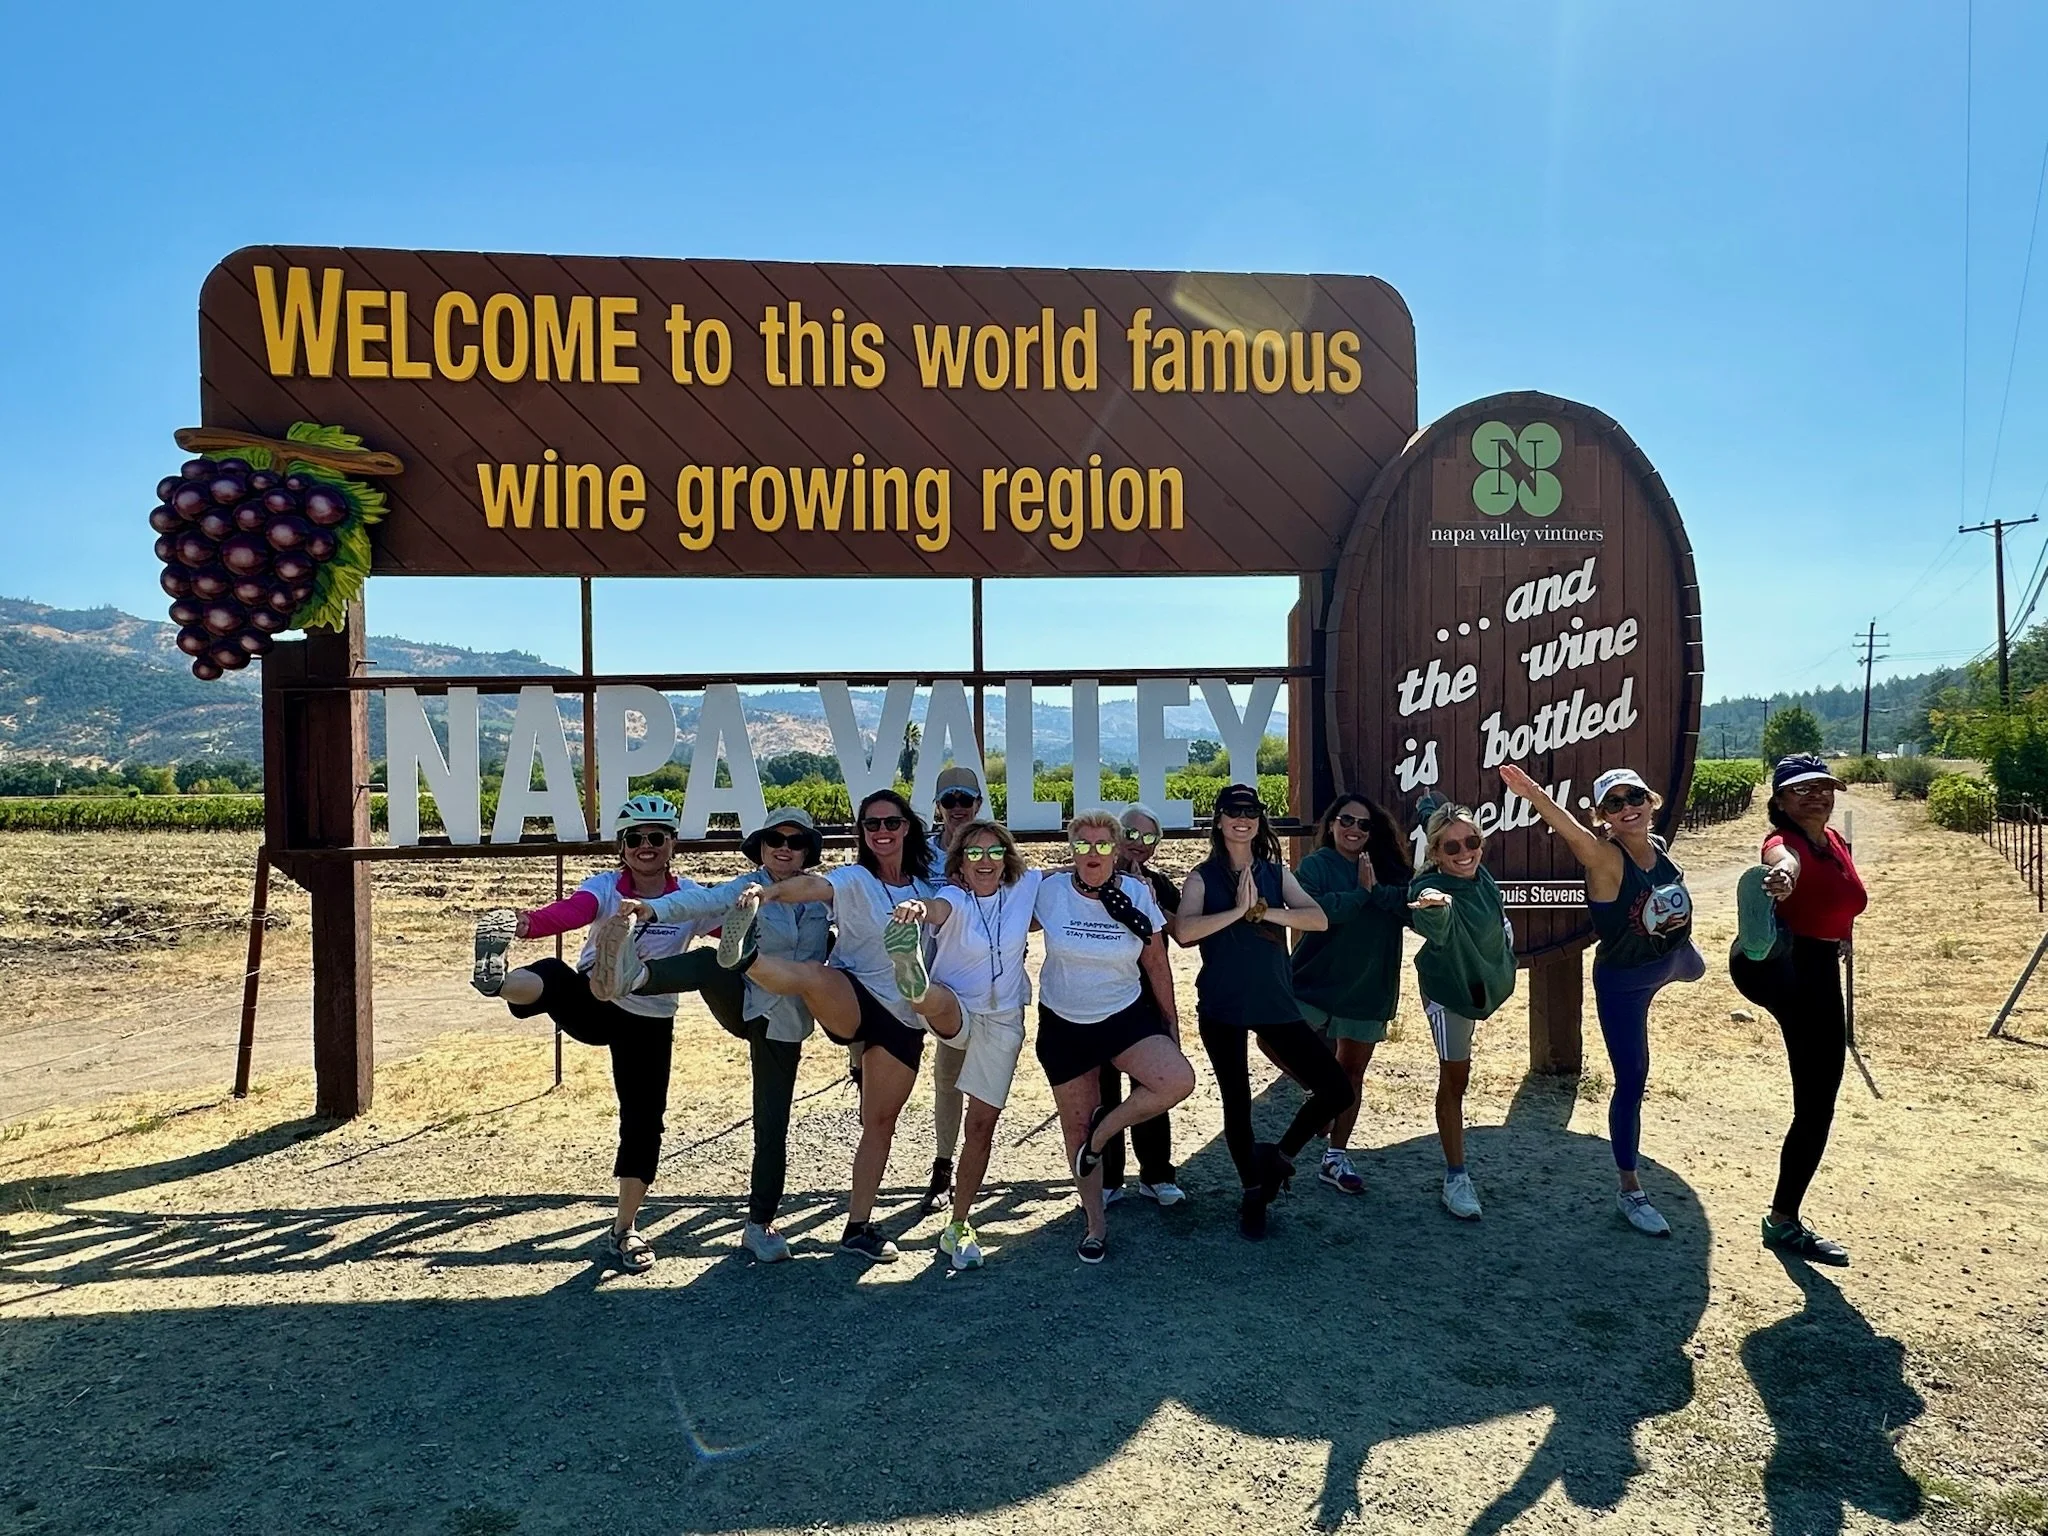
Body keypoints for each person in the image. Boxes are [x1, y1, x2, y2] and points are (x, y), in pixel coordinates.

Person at [466, 793, 719, 1274]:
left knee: (644, 1121)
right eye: (636, 839)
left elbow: (728, 933)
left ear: (671, 844)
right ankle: (496, 980)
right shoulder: (604, 889)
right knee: (556, 977)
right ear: (622, 848)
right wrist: (519, 923)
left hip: (649, 1016)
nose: (647, 847)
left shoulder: (689, 897)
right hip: (597, 1001)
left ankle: (624, 1228)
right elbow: (568, 913)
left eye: (657, 838)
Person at [592, 807, 832, 1264]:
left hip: (788, 1019)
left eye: (795, 841)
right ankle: (633, 977)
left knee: (772, 1124)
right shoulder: (745, 888)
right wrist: (652, 907)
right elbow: (697, 902)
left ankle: (759, 1223)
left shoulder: (824, 894)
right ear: (760, 848)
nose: (784, 847)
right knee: (711, 961)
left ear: (807, 851)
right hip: (743, 998)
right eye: (774, 840)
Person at [711, 788, 940, 1264]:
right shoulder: (855, 878)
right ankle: (744, 956)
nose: (881, 832)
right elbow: (811, 887)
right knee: (813, 975)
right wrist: (767, 893)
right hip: (853, 998)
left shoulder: (929, 885)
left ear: (907, 828)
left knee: (879, 1124)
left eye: (891, 823)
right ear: (862, 833)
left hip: (903, 1019)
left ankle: (857, 1228)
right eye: (871, 825)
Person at [1501, 764, 1706, 1237]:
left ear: (1651, 801)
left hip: (1669, 959)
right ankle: (1630, 1190)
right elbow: (1570, 831)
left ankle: (1687, 958)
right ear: (1602, 818)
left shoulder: (1658, 848)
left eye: (1635, 796)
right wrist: (1534, 793)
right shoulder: (1605, 860)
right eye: (1614, 803)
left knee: (1689, 962)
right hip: (1625, 982)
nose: (1627, 807)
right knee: (1632, 1079)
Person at [1173, 783, 1348, 1240]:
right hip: (1223, 1005)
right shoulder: (1201, 876)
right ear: (1218, 820)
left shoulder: (1276, 872)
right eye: (1233, 810)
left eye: (1250, 810)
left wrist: (1264, 912)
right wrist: (1236, 911)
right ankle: (1254, 1193)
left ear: (1259, 819)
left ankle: (1279, 1158)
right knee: (1237, 1103)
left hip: (1275, 1002)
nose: (1242, 818)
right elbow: (1185, 931)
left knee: (1336, 1088)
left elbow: (1318, 919)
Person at [1033, 807, 1197, 1262]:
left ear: (1116, 849)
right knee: (1075, 1127)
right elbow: (1001, 911)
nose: (1093, 852)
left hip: (1124, 1016)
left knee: (1176, 1080)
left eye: (1103, 844)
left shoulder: (1137, 894)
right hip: (1064, 1023)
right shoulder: (1048, 892)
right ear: (1071, 850)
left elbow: (1157, 964)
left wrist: (1170, 1022)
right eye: (1082, 844)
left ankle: (1107, 1130)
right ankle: (1094, 1224)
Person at [1728, 754, 1867, 1266]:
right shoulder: (1781, 844)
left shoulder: (1835, 844)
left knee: (1819, 1101)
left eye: (1823, 787)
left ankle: (1783, 1220)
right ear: (1780, 800)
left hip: (1818, 966)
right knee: (1770, 963)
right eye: (1801, 789)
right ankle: (1756, 943)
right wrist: (1780, 880)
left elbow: (1846, 898)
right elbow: (1780, 860)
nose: (1816, 795)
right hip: (1788, 960)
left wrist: (1844, 935)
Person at [883, 820, 1039, 1269]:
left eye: (993, 853)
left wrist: (1124, 864)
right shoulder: (953, 897)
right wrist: (916, 909)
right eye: (973, 854)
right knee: (938, 1000)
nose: (984, 861)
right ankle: (912, 980)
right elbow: (935, 909)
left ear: (1007, 858)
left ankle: (959, 1223)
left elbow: (1076, 869)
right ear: (960, 865)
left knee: (980, 1128)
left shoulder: (1025, 889)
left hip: (1003, 1020)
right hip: (956, 1011)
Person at [1290, 790, 1414, 1196]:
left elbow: (1407, 907)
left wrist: (1376, 890)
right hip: (1314, 980)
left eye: (1364, 824)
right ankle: (1318, 1091)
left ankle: (1335, 1156)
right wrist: (1361, 894)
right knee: (1277, 1039)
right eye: (1346, 820)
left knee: (1352, 1073)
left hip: (1367, 984)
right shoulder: (1315, 865)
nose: (1354, 829)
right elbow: (1319, 913)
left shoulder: (1391, 868)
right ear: (1331, 824)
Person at [1408, 802, 1517, 1222]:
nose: (1464, 852)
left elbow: (1436, 812)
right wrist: (1435, 904)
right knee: (1455, 1079)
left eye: (1472, 842)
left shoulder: (1481, 876)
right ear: (1435, 853)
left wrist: (1430, 805)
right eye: (1451, 847)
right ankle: (1456, 1178)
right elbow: (1434, 915)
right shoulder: (1434, 890)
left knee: (1461, 1077)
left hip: (1480, 988)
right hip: (1450, 995)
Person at [1096, 804, 1187, 1207]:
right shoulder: (1091, 879)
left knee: (1152, 1086)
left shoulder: (1160, 885)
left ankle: (1156, 1174)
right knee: (1103, 1091)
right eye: (1130, 834)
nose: (1138, 844)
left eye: (1149, 838)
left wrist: (1153, 904)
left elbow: (1185, 933)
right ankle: (1107, 1178)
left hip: (1146, 1002)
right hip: (1098, 1002)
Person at [915, 762, 986, 1218]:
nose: (958, 809)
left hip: (964, 983)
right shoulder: (915, 852)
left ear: (978, 805)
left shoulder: (991, 847)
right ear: (938, 807)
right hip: (915, 974)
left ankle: (946, 1167)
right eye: (950, 801)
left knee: (951, 1077)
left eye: (966, 800)